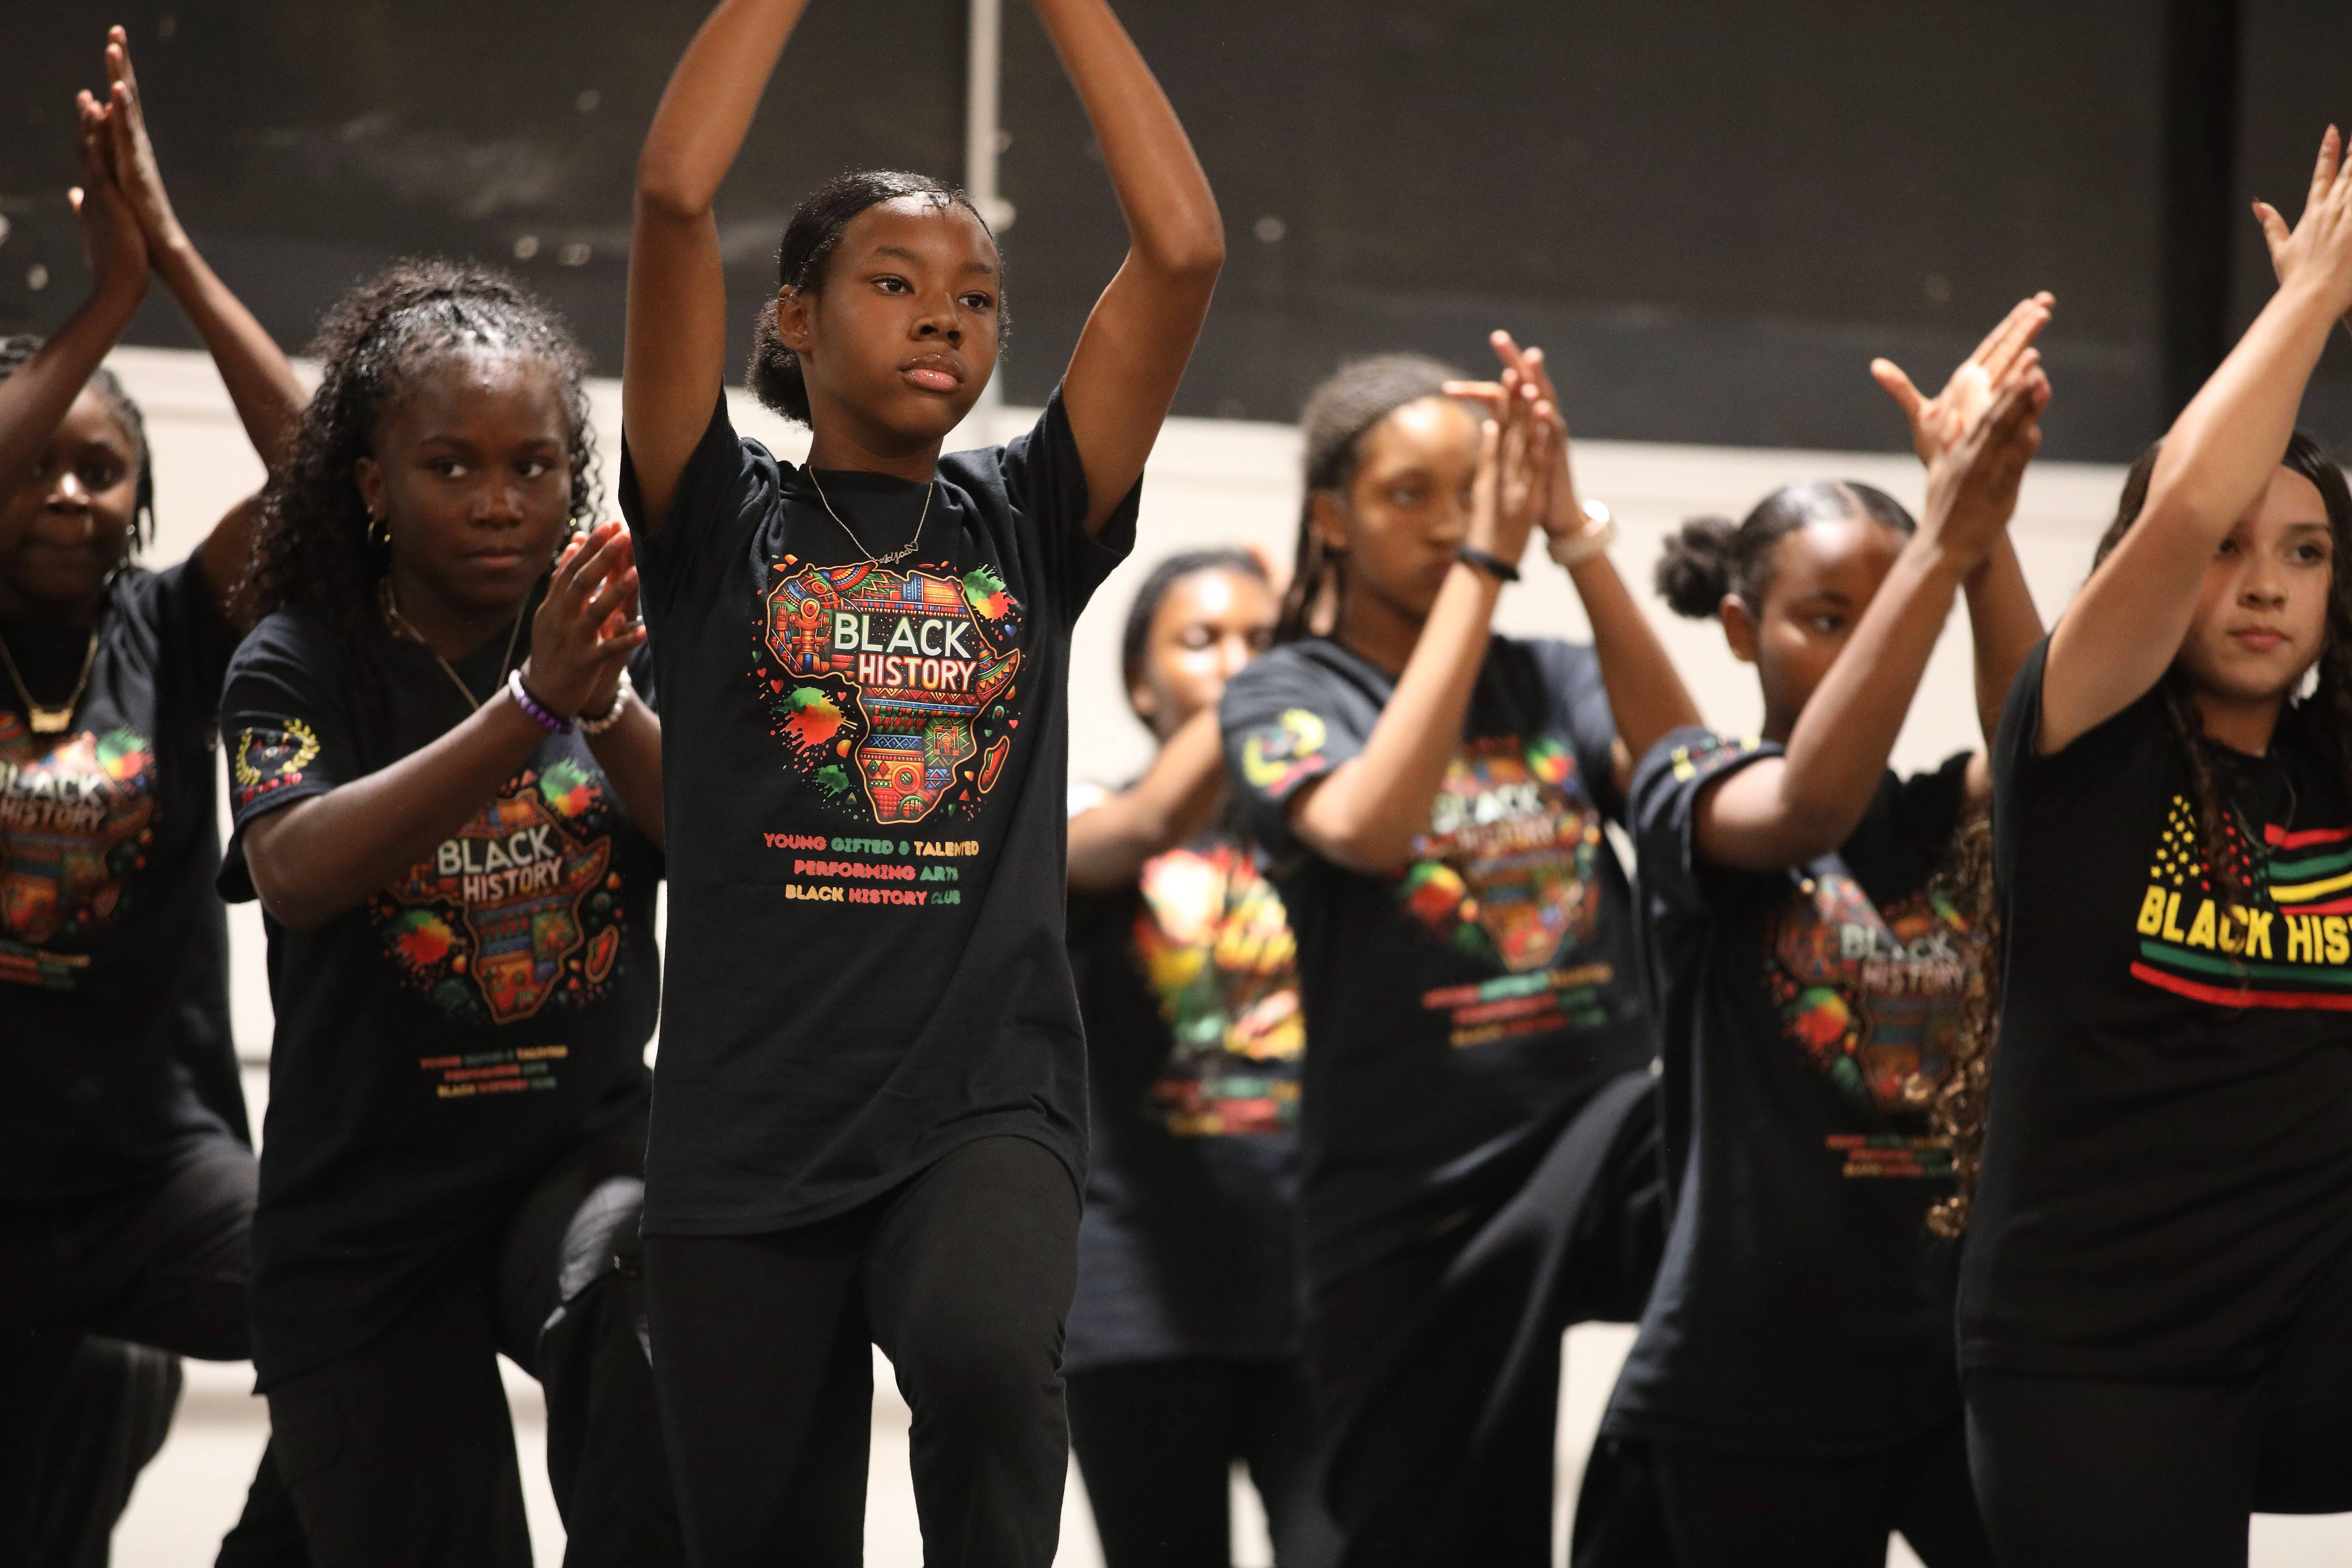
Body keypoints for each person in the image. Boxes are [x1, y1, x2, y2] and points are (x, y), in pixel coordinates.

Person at [619, 0, 1222, 1560]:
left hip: (983, 1093)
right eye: (892, 284)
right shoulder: (713, 519)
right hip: (748, 1118)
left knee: (983, 1361)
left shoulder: (1029, 517)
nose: (944, 318)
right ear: (797, 319)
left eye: (976, 299)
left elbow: (1182, 254)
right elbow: (676, 191)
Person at [219, 259, 679, 1568]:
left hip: (576, 1159)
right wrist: (527, 711)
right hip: (369, 1215)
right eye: (451, 467)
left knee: (659, 1295)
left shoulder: (609, 639)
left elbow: (710, 850)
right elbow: (299, 868)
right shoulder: (300, 656)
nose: (498, 503)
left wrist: (599, 701)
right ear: (374, 485)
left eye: (533, 467)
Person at [1218, 340, 1693, 1568]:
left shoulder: (1551, 677)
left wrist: (1574, 535)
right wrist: (1489, 558)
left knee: (1776, 1244)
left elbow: (1689, 779)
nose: (1449, 525)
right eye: (1409, 496)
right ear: (1333, 517)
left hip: (1601, 1139)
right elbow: (1368, 829)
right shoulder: (1285, 694)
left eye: (1473, 492)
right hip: (1410, 1197)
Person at [1592, 299, 2052, 1568]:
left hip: (1958, 1361)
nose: (1862, 640)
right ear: (1743, 632)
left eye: (1893, 607)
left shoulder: (1946, 816)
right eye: (1824, 617)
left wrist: (1982, 538)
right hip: (1753, 1377)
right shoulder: (1692, 786)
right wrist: (1937, 543)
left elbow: (2048, 775)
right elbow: (1806, 808)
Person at [1959, 128, 2352, 1568]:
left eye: (2306, 553)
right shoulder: (2085, 744)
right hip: (2102, 1348)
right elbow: (2186, 499)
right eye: (2234, 553)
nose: (2262, 584)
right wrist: (2310, 302)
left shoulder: (2333, 774)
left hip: (2313, 1325)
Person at [0, 32, 308, 1566]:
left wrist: (169, 255)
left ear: (141, 497)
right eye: (36, 465)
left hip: (151, 1173)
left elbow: (334, 474)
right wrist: (94, 306)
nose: (68, 493)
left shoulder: (173, 630)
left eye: (102, 469)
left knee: (356, 1303)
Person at [1063, 548, 1339, 1568]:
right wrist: (1269, 686)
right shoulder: (1086, 811)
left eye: (1262, 643)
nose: (1237, 665)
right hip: (1137, 1309)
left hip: (1322, 1301)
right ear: (1140, 683)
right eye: (1202, 642)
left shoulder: (1335, 828)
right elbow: (1144, 827)